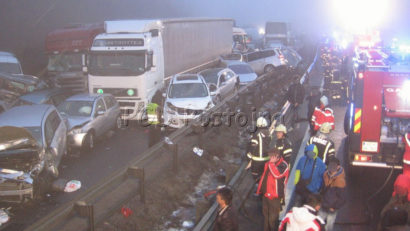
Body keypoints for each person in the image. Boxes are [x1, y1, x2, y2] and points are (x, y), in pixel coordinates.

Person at [256, 149, 290, 231]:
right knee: (266, 216)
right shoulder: (268, 163)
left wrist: (271, 164)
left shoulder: (284, 165)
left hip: (275, 197)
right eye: (270, 156)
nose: (270, 158)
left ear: (277, 157)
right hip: (266, 194)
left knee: (273, 219)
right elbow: (264, 177)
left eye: (272, 156)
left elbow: (277, 175)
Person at [319, 157, 346, 231]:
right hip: (323, 205)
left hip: (332, 209)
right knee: (318, 223)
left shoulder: (340, 181)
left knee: (329, 226)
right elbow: (322, 189)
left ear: (338, 166)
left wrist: (334, 207)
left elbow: (343, 198)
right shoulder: (325, 174)